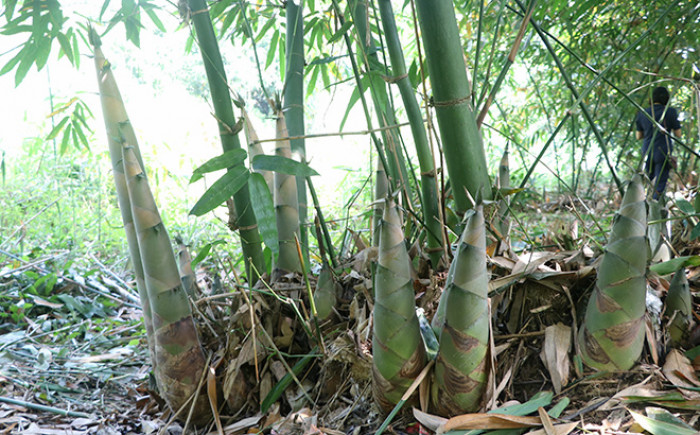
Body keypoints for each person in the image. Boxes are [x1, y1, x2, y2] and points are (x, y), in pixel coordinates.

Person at [635, 86, 682, 200]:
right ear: (666, 99)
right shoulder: (670, 112)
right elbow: (678, 134)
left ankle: (645, 209)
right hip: (663, 151)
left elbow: (638, 136)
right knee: (659, 185)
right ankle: (653, 213)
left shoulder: (643, 113)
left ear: (652, 99)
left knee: (649, 183)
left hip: (647, 152)